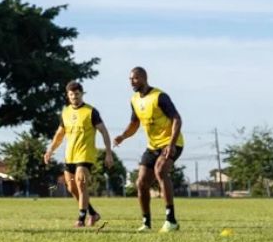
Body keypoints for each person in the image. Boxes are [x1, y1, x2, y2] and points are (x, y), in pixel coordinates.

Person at [112, 67, 183, 232]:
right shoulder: (134, 100)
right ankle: (146, 223)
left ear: (144, 78)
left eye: (135, 78)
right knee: (141, 182)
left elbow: (177, 119)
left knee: (160, 170)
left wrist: (171, 144)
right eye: (130, 79)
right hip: (152, 146)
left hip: (172, 142)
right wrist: (122, 136)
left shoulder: (159, 97)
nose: (132, 81)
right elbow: (134, 124)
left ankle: (171, 220)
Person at [44, 80, 113, 228]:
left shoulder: (91, 112)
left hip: (85, 155)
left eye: (77, 94)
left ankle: (81, 219)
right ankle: (93, 214)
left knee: (81, 184)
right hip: (70, 155)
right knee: (72, 188)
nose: (74, 97)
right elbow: (59, 134)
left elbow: (104, 131)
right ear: (67, 96)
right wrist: (50, 150)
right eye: (71, 94)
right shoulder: (66, 112)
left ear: (82, 94)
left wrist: (108, 153)